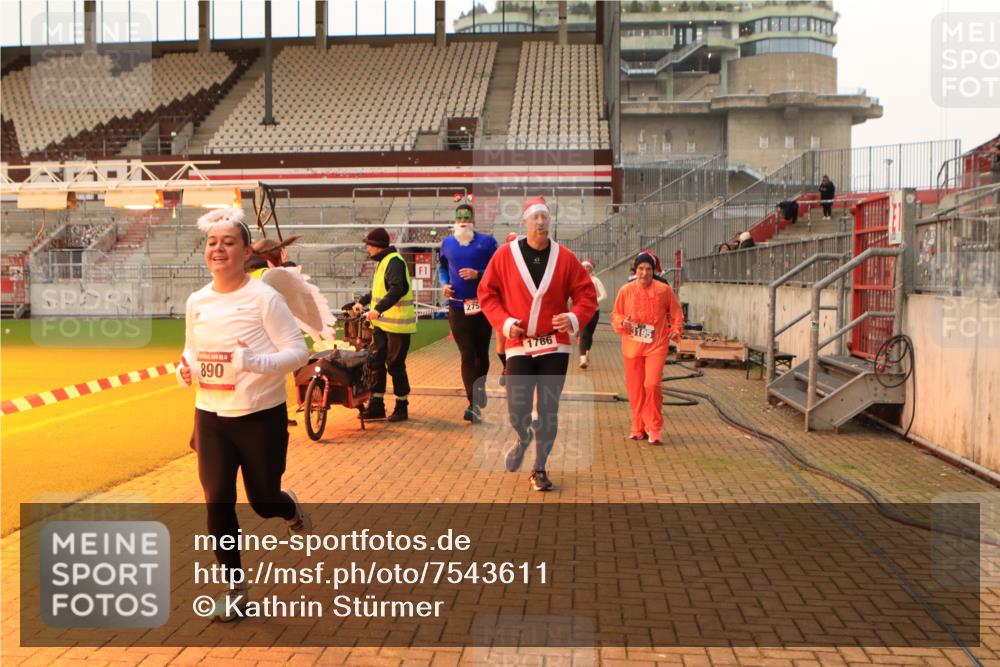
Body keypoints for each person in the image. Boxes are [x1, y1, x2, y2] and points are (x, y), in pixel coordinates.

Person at [178, 208, 312, 622]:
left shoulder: (264, 298)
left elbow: (298, 353)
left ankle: (289, 509)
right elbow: (191, 350)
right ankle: (235, 589)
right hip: (211, 416)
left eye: (229, 242)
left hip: (259, 417)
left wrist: (253, 361)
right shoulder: (197, 301)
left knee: (263, 500)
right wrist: (185, 369)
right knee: (217, 500)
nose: (218, 249)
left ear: (247, 250)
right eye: (212, 242)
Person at [478, 196, 597, 492]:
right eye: (535, 217)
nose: (541, 222)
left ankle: (539, 467)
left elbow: (586, 295)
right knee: (517, 410)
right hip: (520, 344)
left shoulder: (565, 257)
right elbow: (487, 293)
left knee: (548, 409)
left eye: (545, 217)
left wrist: (573, 317)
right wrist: (505, 323)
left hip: (555, 345)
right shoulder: (505, 256)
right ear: (525, 222)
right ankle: (523, 437)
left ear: (550, 220)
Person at [611, 251, 684, 445]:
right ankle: (638, 426)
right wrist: (622, 322)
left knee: (652, 384)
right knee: (635, 388)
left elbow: (676, 311)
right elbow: (616, 314)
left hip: (656, 344)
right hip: (632, 345)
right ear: (635, 270)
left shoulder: (663, 290)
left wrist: (675, 329)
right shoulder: (625, 290)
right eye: (641, 269)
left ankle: (654, 427)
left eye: (648, 269)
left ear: (654, 270)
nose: (644, 273)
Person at [438, 203, 499, 423]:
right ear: (455, 220)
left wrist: (478, 274)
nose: (463, 221)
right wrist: (444, 284)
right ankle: (472, 403)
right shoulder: (446, 243)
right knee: (467, 354)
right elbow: (442, 267)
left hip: (483, 306)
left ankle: (479, 389)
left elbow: (499, 269)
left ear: (473, 221)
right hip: (457, 307)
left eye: (466, 217)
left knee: (481, 354)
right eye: (459, 217)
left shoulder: (487, 242)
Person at [353, 227, 416, 422]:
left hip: (397, 325)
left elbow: (398, 289)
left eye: (369, 245)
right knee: (376, 363)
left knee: (395, 365)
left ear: (377, 246)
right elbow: (379, 290)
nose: (367, 249)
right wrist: (362, 302)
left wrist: (378, 309)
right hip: (382, 324)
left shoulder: (394, 261)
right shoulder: (384, 262)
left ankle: (401, 407)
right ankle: (377, 406)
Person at [495, 231, 520, 387]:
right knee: (500, 348)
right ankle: (506, 367)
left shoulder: (525, 263)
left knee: (518, 345)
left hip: (519, 310)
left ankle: (512, 371)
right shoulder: (500, 262)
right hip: (503, 311)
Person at [577, 258, 607, 369]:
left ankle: (587, 353)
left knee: (589, 334)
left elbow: (604, 295)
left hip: (594, 311)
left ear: (591, 269)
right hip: (582, 311)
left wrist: (592, 302)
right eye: (584, 266)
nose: (586, 269)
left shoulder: (595, 280)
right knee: (583, 333)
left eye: (588, 267)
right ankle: (582, 359)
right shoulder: (578, 280)